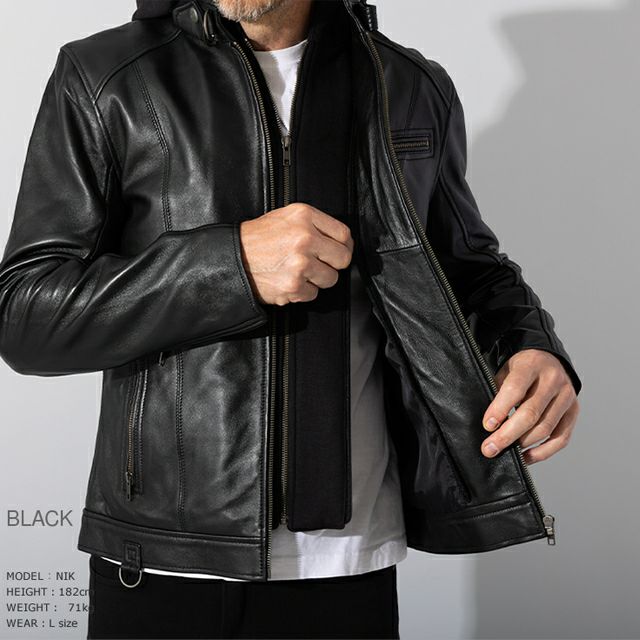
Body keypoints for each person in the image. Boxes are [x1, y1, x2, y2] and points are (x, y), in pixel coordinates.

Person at [0, 0, 582, 638]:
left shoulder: (410, 85)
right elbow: (25, 314)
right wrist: (230, 267)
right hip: (165, 561)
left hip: (353, 567)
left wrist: (531, 346)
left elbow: (467, 269)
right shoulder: (105, 74)